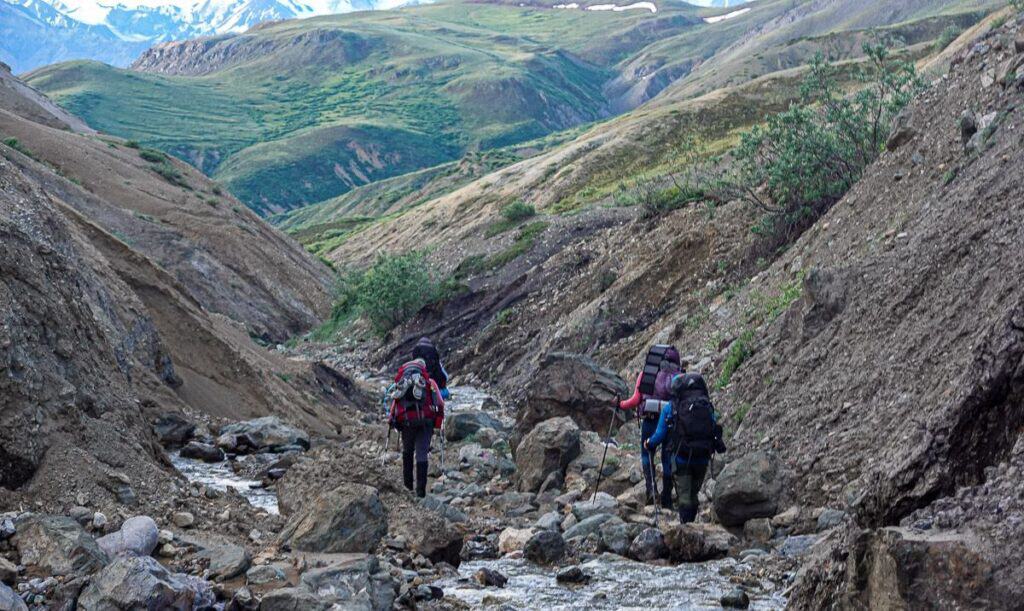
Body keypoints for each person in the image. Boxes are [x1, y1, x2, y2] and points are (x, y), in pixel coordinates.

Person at [645, 372, 726, 523]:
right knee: (693, 494)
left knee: (684, 497)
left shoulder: (670, 407)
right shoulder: (705, 405)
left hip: (682, 458)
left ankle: (686, 527)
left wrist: (649, 443)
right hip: (702, 457)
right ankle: (692, 524)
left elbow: (660, 434)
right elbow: (713, 426)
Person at [619, 345, 684, 508]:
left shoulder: (646, 375)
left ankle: (651, 490)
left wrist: (619, 404)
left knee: (646, 453)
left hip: (650, 419)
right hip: (670, 421)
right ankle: (667, 498)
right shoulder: (679, 377)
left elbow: (634, 401)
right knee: (668, 458)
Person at [387, 358, 445, 498]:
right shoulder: (430, 383)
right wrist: (438, 422)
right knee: (421, 453)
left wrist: (391, 420)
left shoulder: (402, 383)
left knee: (407, 451)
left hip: (407, 422)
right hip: (425, 422)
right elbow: (441, 403)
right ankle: (420, 493)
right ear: (424, 370)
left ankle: (408, 488)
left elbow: (394, 404)